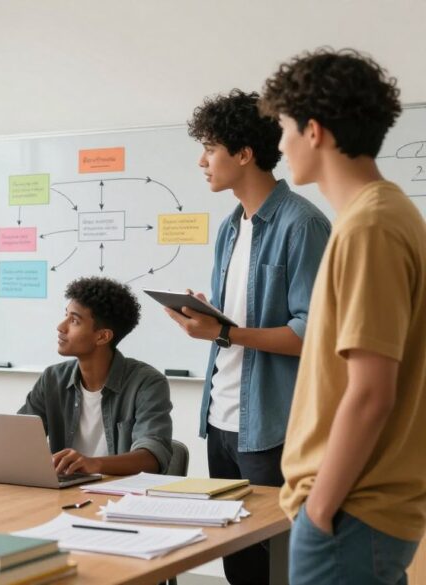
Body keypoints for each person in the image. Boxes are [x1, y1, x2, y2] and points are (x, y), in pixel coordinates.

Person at [261, 49, 426, 584]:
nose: (280, 145)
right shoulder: (387, 214)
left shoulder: (369, 228)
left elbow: (371, 391)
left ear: (314, 131)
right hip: (359, 512)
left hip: (349, 512)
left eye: (284, 128)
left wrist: (319, 509)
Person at [167, 89, 331, 584]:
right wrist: (213, 320)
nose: (202, 161)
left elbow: (312, 334)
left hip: (274, 427)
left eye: (210, 149)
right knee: (238, 565)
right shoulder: (228, 228)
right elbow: (235, 325)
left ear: (243, 154)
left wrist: (226, 330)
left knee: (275, 568)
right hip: (221, 418)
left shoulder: (303, 225)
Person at [19, 277, 172, 476]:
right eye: (65, 316)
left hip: (119, 495)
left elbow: (152, 458)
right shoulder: (53, 378)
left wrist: (93, 464)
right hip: (63, 492)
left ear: (102, 336)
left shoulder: (147, 383)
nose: (61, 326)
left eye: (74, 321)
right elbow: (19, 439)